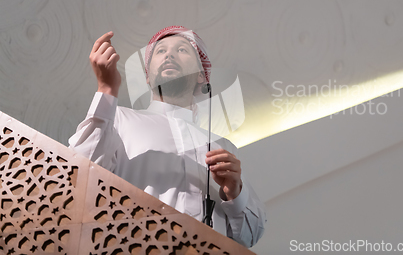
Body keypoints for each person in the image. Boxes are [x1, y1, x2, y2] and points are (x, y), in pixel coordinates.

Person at [69, 26, 266, 247]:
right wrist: (106, 89)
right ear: (148, 76)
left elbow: (250, 236)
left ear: (202, 75)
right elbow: (77, 178)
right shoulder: (118, 118)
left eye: (182, 50)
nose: (169, 55)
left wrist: (234, 193)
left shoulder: (223, 146)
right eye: (160, 51)